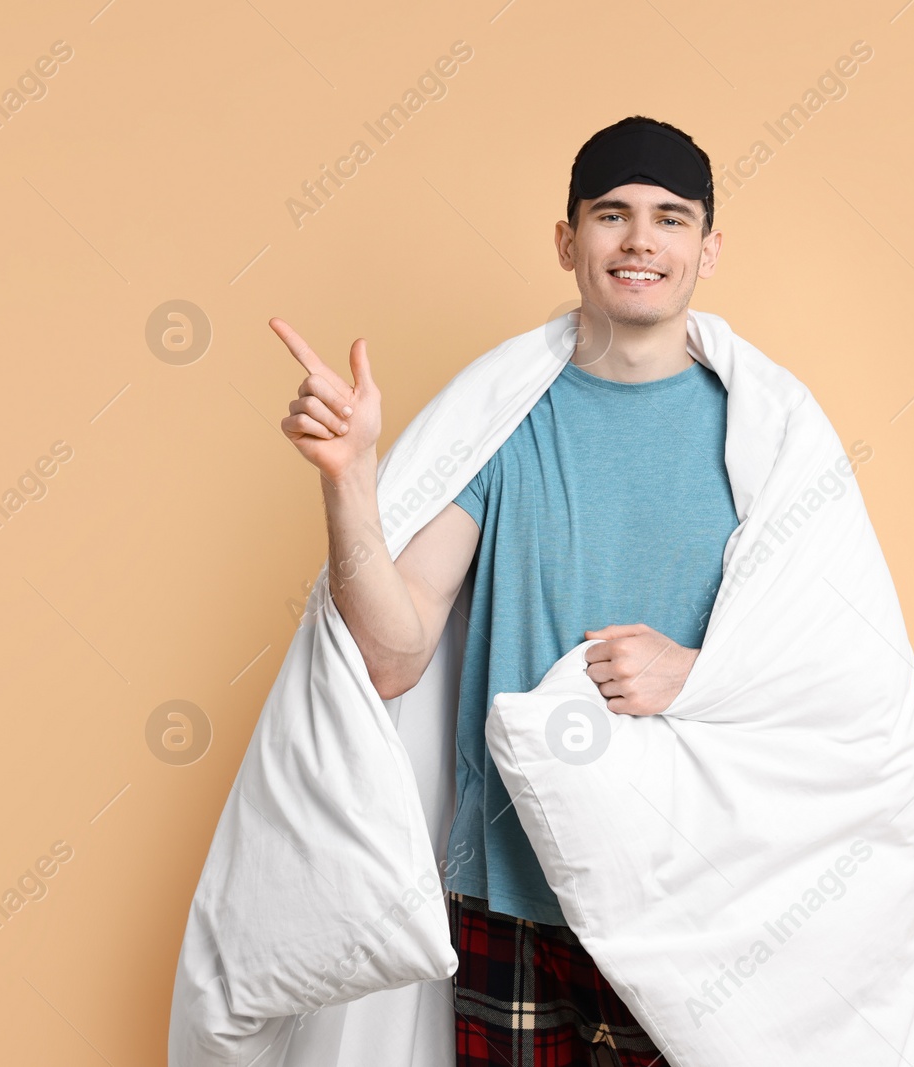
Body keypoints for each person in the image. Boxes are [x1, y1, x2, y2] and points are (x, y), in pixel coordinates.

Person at [269, 116, 730, 1067]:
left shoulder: (764, 437)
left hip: (697, 896)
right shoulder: (504, 421)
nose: (642, 239)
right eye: (612, 214)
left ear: (708, 248)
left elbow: (830, 662)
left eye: (670, 217)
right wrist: (350, 479)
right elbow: (394, 655)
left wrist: (703, 673)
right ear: (569, 242)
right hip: (517, 901)